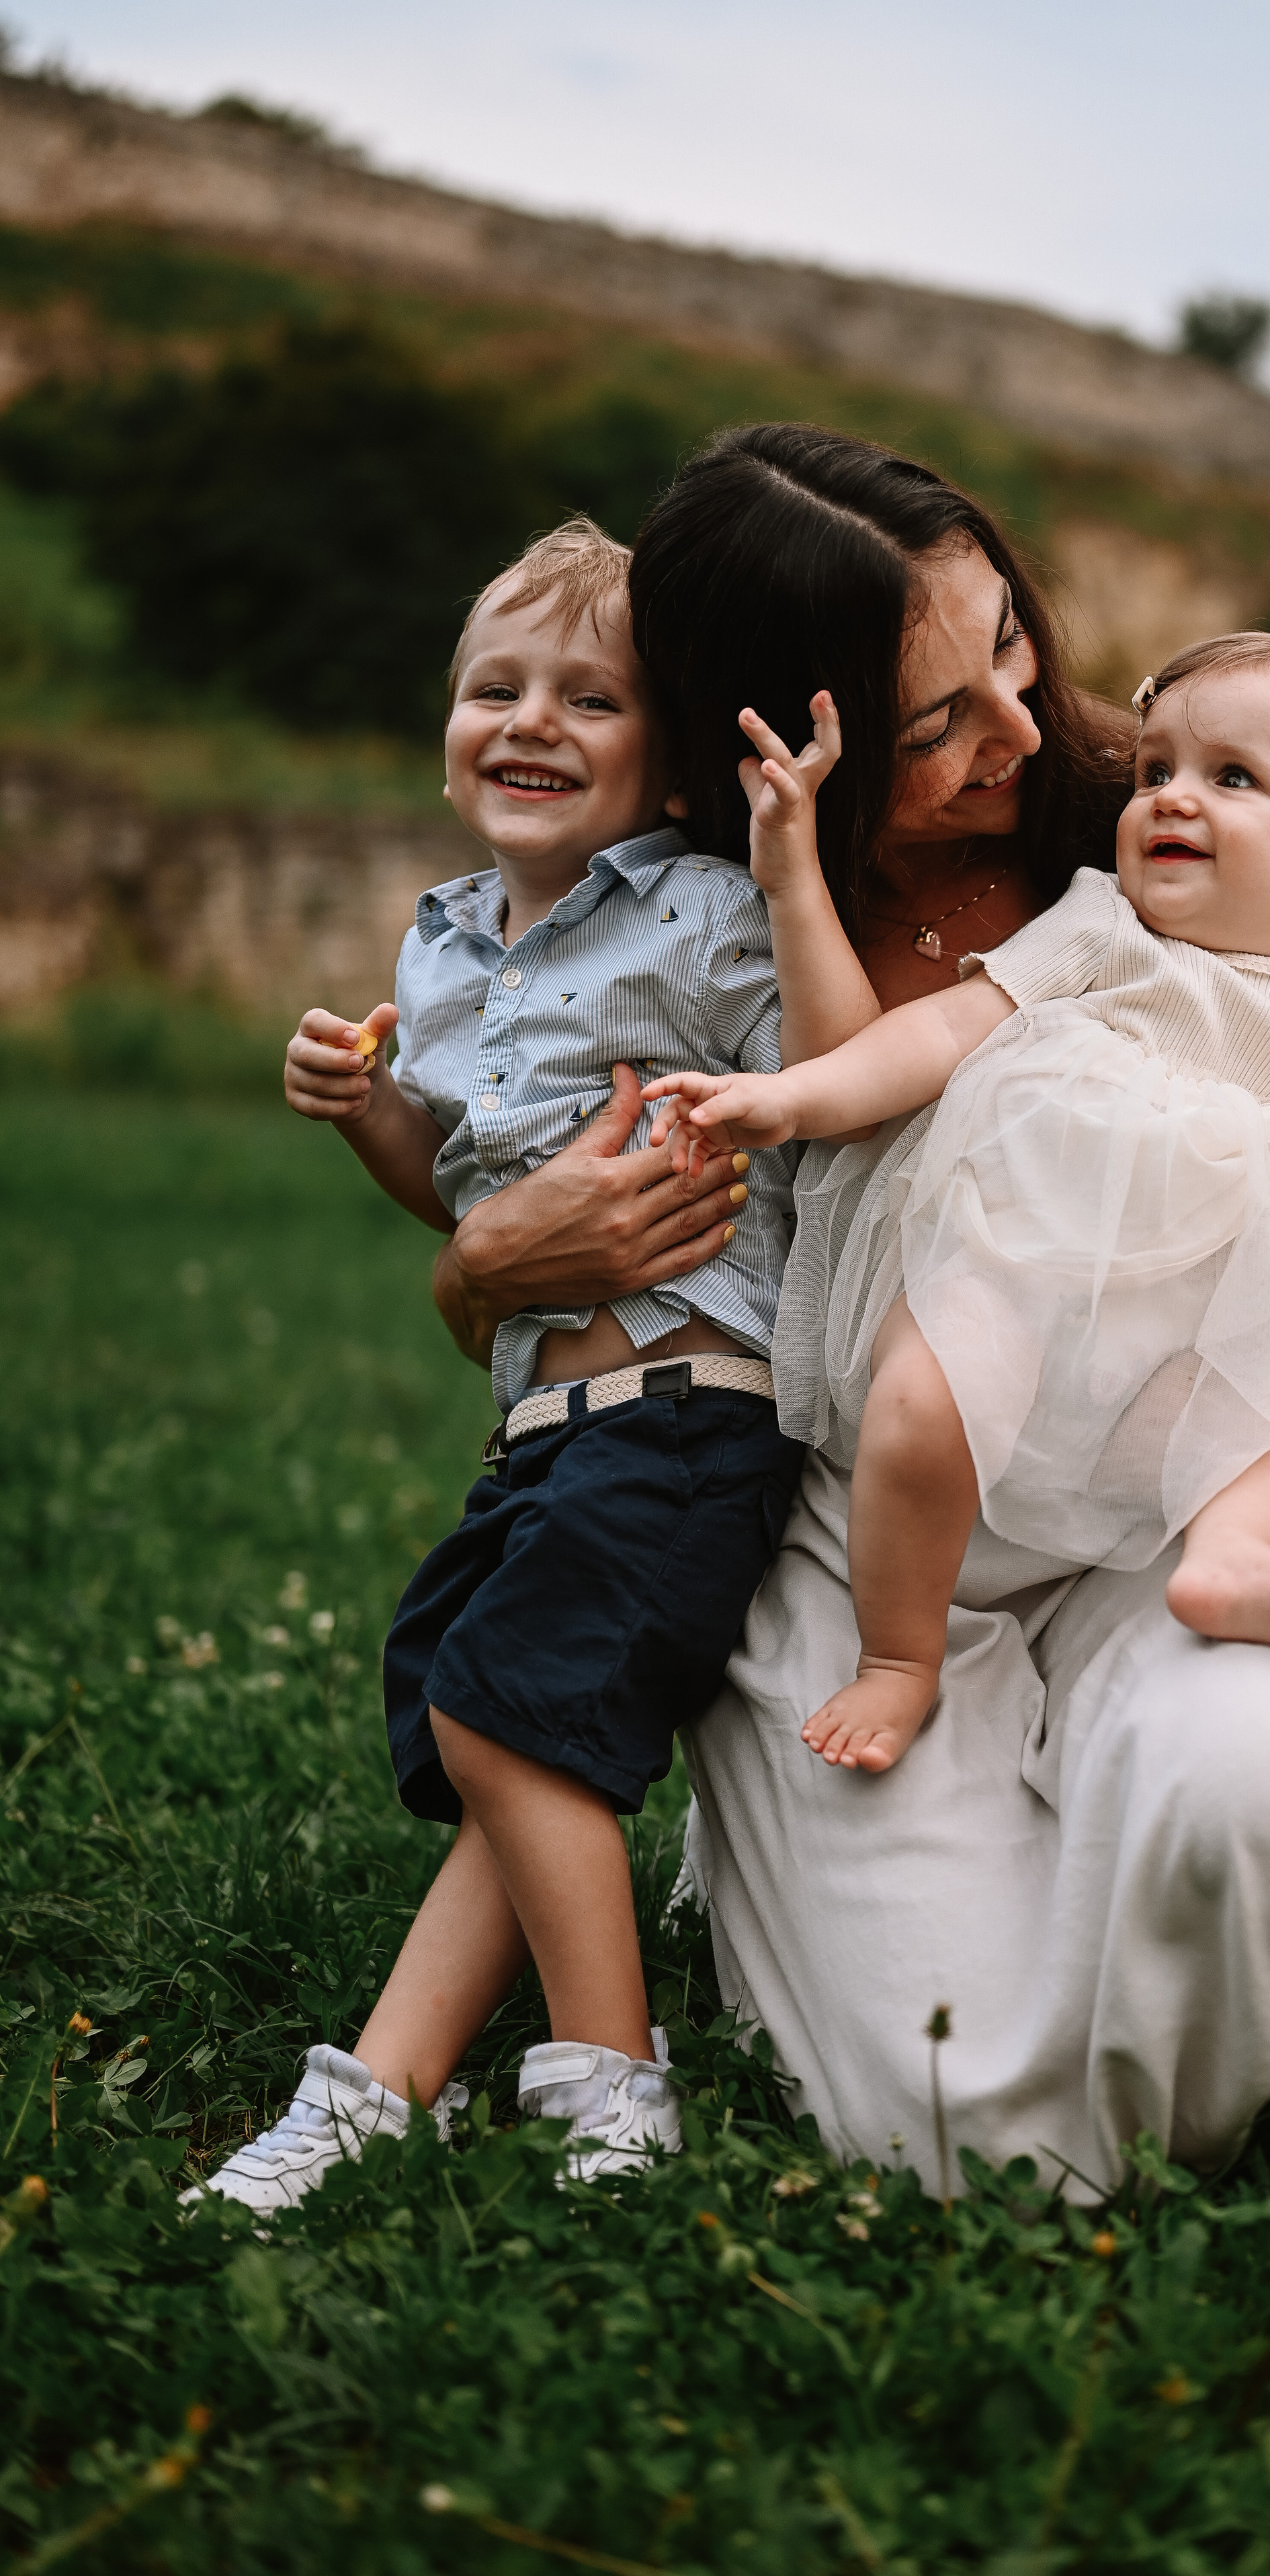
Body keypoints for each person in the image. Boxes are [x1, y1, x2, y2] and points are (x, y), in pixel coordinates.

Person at [433, 428, 1270, 2191]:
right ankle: (977, 1826)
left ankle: (1161, 1836)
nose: (1020, 725)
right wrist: (487, 1265)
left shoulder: (1134, 820)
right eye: (936, 720)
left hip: (1163, 1462)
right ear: (780, 733)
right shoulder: (676, 912)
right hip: (867, 1525)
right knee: (932, 2102)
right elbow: (518, 1219)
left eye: (1014, 646)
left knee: (1259, 1818)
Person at [186, 516, 874, 2213]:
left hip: (691, 1403)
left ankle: (611, 2081)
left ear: (668, 762)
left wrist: (791, 876)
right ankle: (374, 2091)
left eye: (587, 697)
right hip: (546, 1422)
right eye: (494, 687)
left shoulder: (710, 912)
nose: (530, 721)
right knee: (503, 1716)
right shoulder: (436, 951)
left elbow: (844, 1076)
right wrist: (373, 1118)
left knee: (505, 1706)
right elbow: (466, 1205)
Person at [644, 636, 1270, 1775]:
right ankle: (900, 1655)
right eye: (1155, 772)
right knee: (918, 1410)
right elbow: (942, 1034)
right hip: (1002, 1284)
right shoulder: (1103, 927)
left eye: (1231, 778)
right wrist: (792, 1097)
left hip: (1167, 1343)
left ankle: (1233, 1561)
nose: (1171, 795)